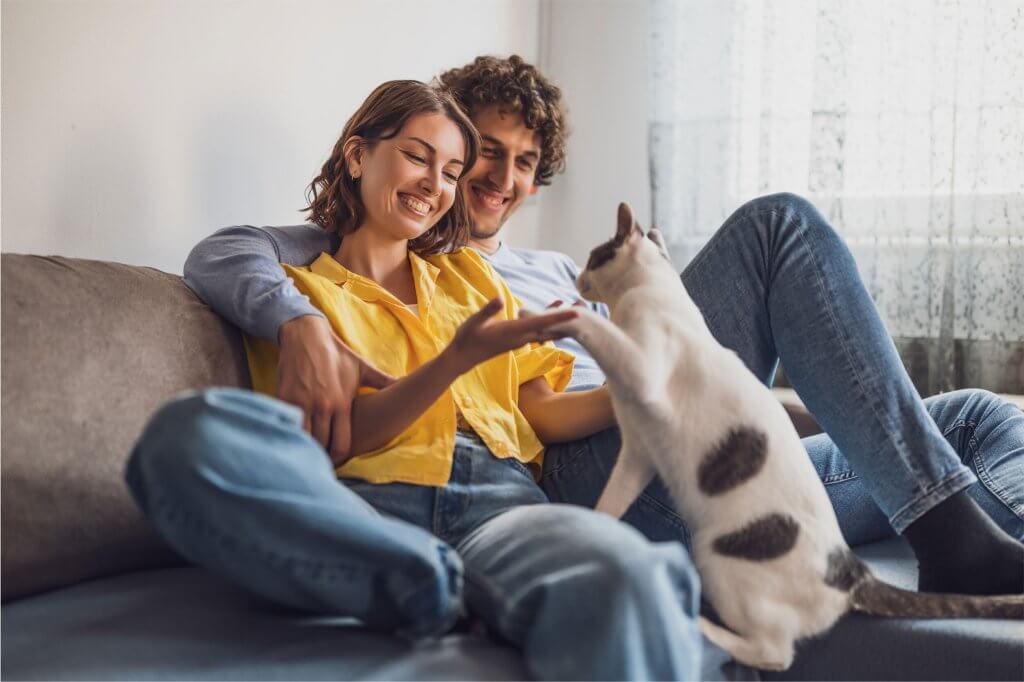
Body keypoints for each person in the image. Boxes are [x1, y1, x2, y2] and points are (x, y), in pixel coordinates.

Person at [183, 55, 1024, 600]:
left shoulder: (534, 272)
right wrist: (299, 321)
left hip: (662, 433)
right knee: (778, 230)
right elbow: (228, 255)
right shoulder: (355, 261)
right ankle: (958, 544)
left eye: (521, 164)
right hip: (590, 473)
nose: (490, 179)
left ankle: (970, 536)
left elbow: (582, 384)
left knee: (979, 417)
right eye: (478, 153)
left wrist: (669, 343)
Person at [128, 79, 709, 680]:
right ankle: (423, 580)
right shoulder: (299, 292)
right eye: (416, 156)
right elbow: (345, 437)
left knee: (630, 572)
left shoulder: (473, 281)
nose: (436, 185)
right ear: (358, 157)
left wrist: (640, 387)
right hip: (364, 508)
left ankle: (430, 585)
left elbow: (537, 409)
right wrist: (450, 363)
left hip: (501, 506)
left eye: (453, 170)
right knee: (185, 436)